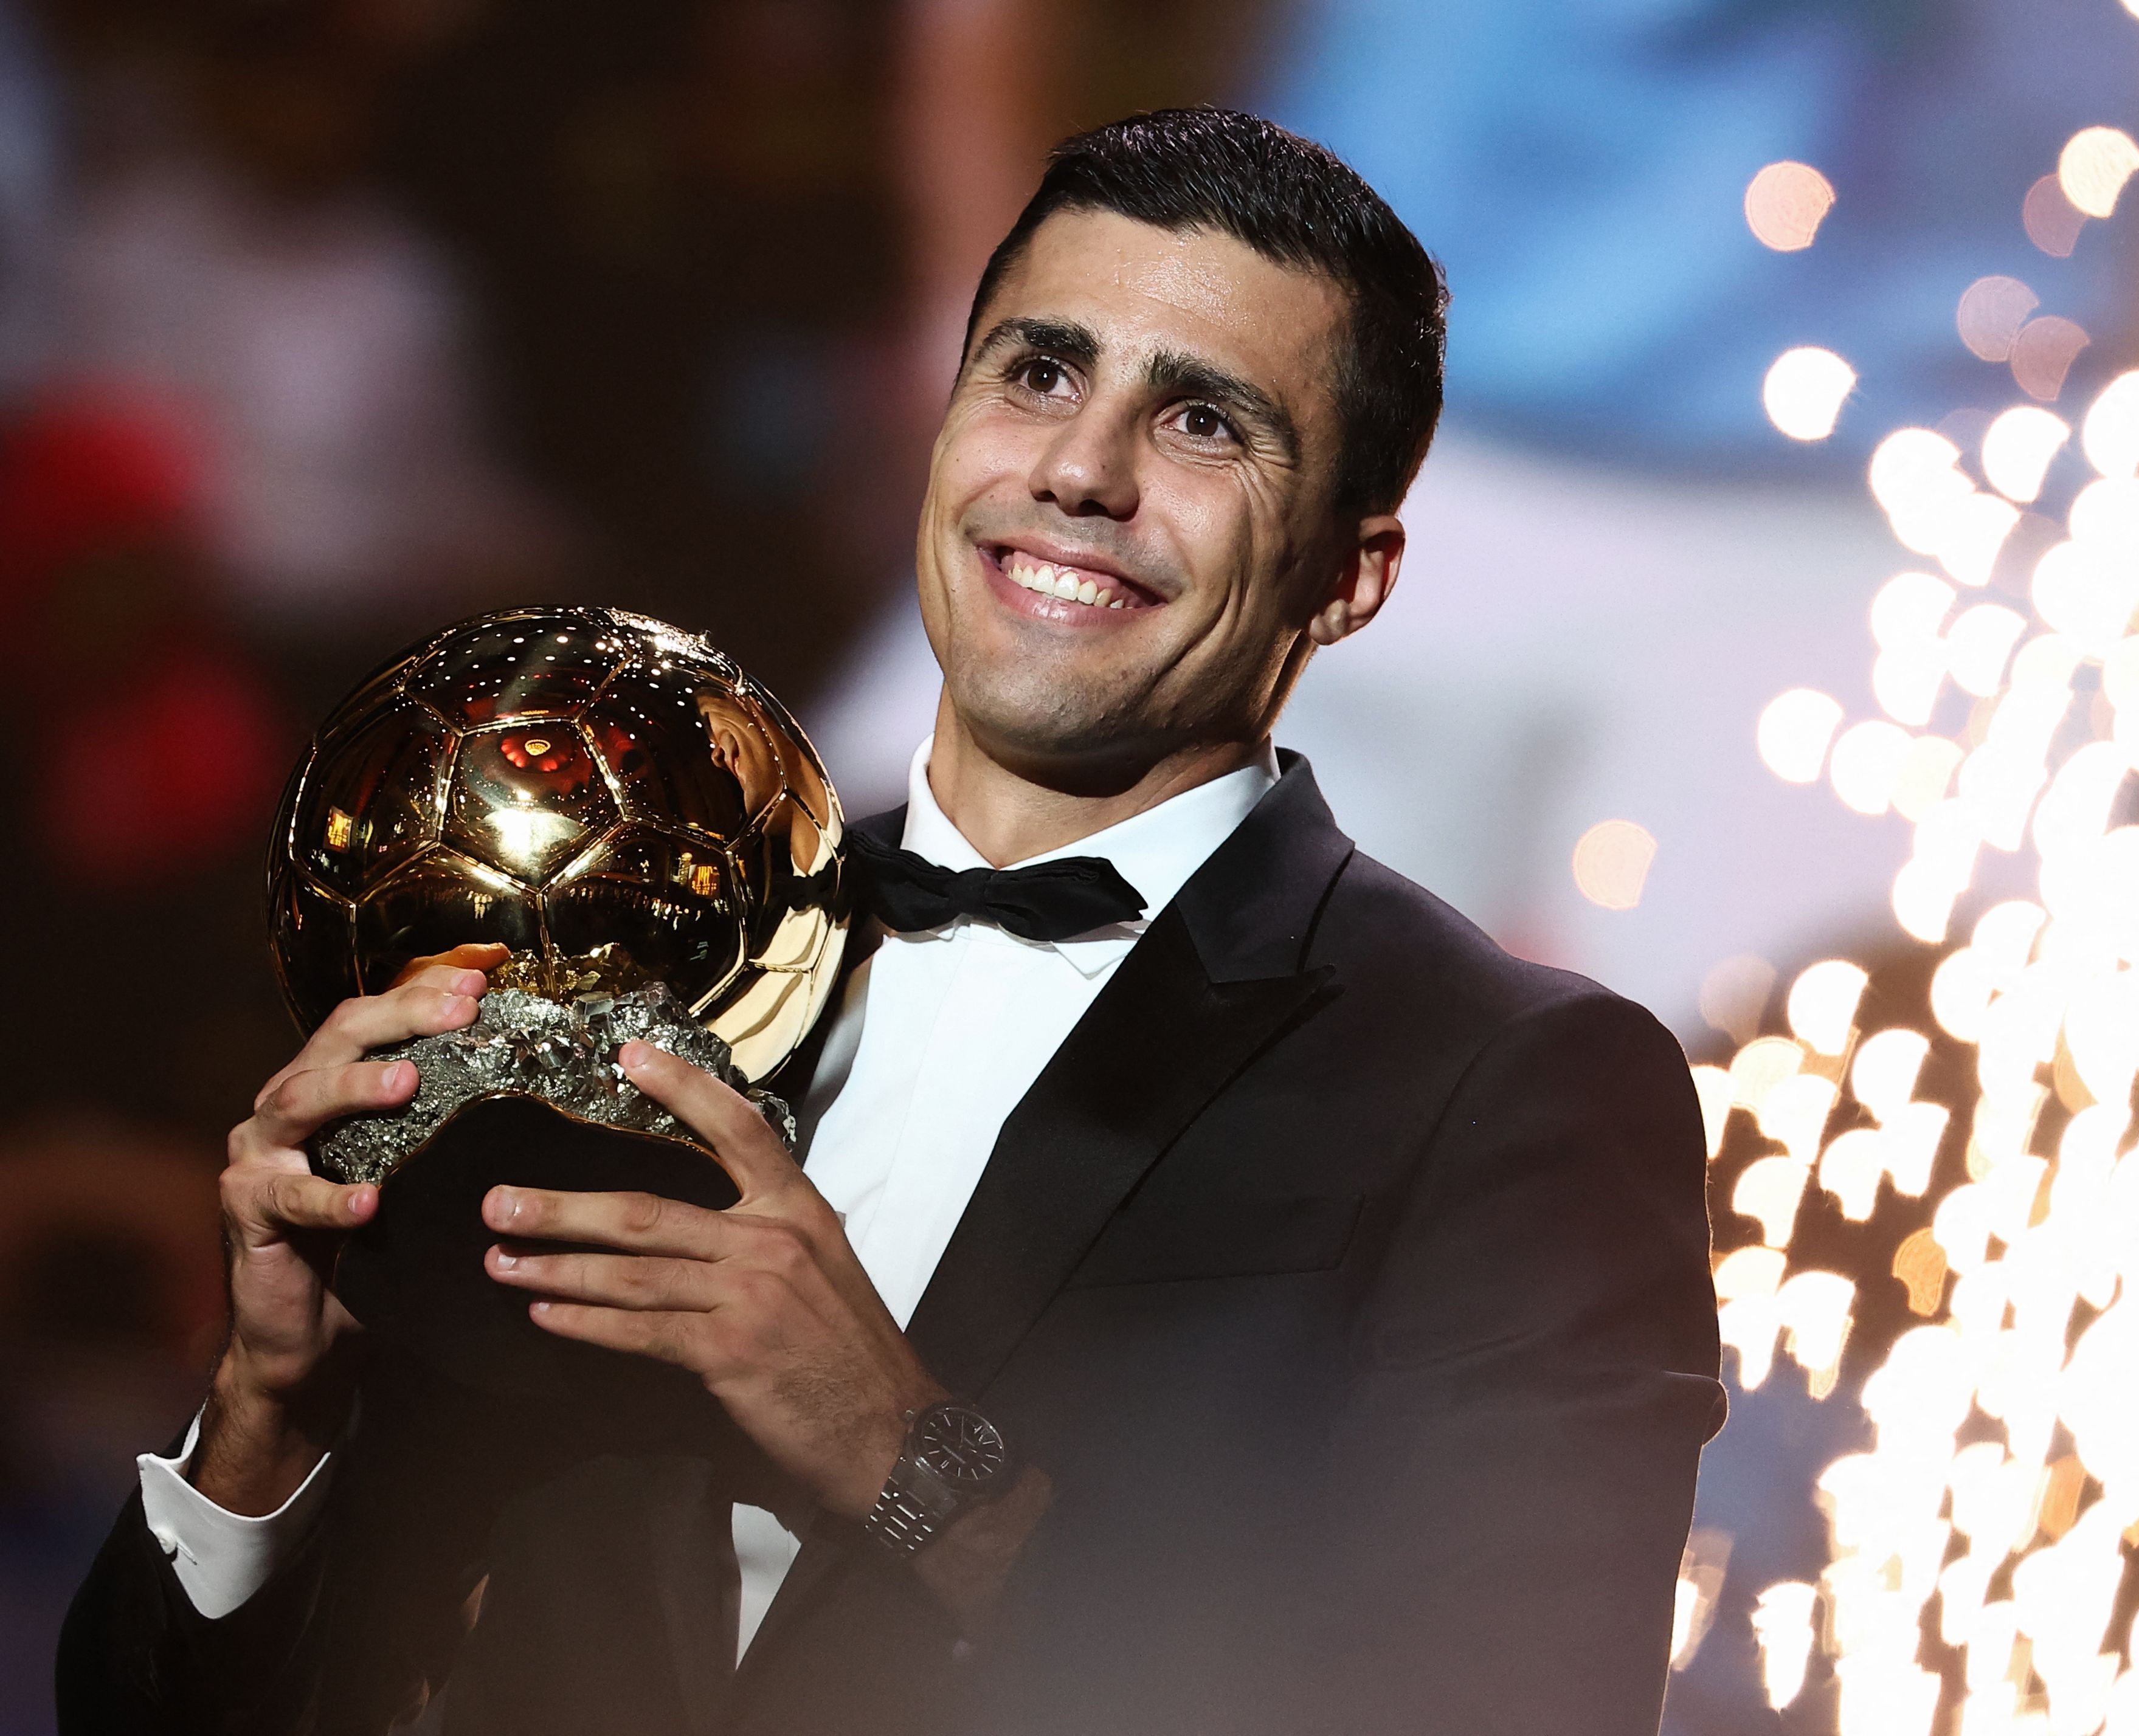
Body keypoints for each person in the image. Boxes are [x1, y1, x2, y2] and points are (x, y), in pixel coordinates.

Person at [57, 109, 1726, 1735]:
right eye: (1038, 371)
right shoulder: (619, 961)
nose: (1080, 470)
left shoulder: (1509, 1089)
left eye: (1206, 423)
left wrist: (909, 1459)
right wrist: (268, 1416)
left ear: (1349, 577)